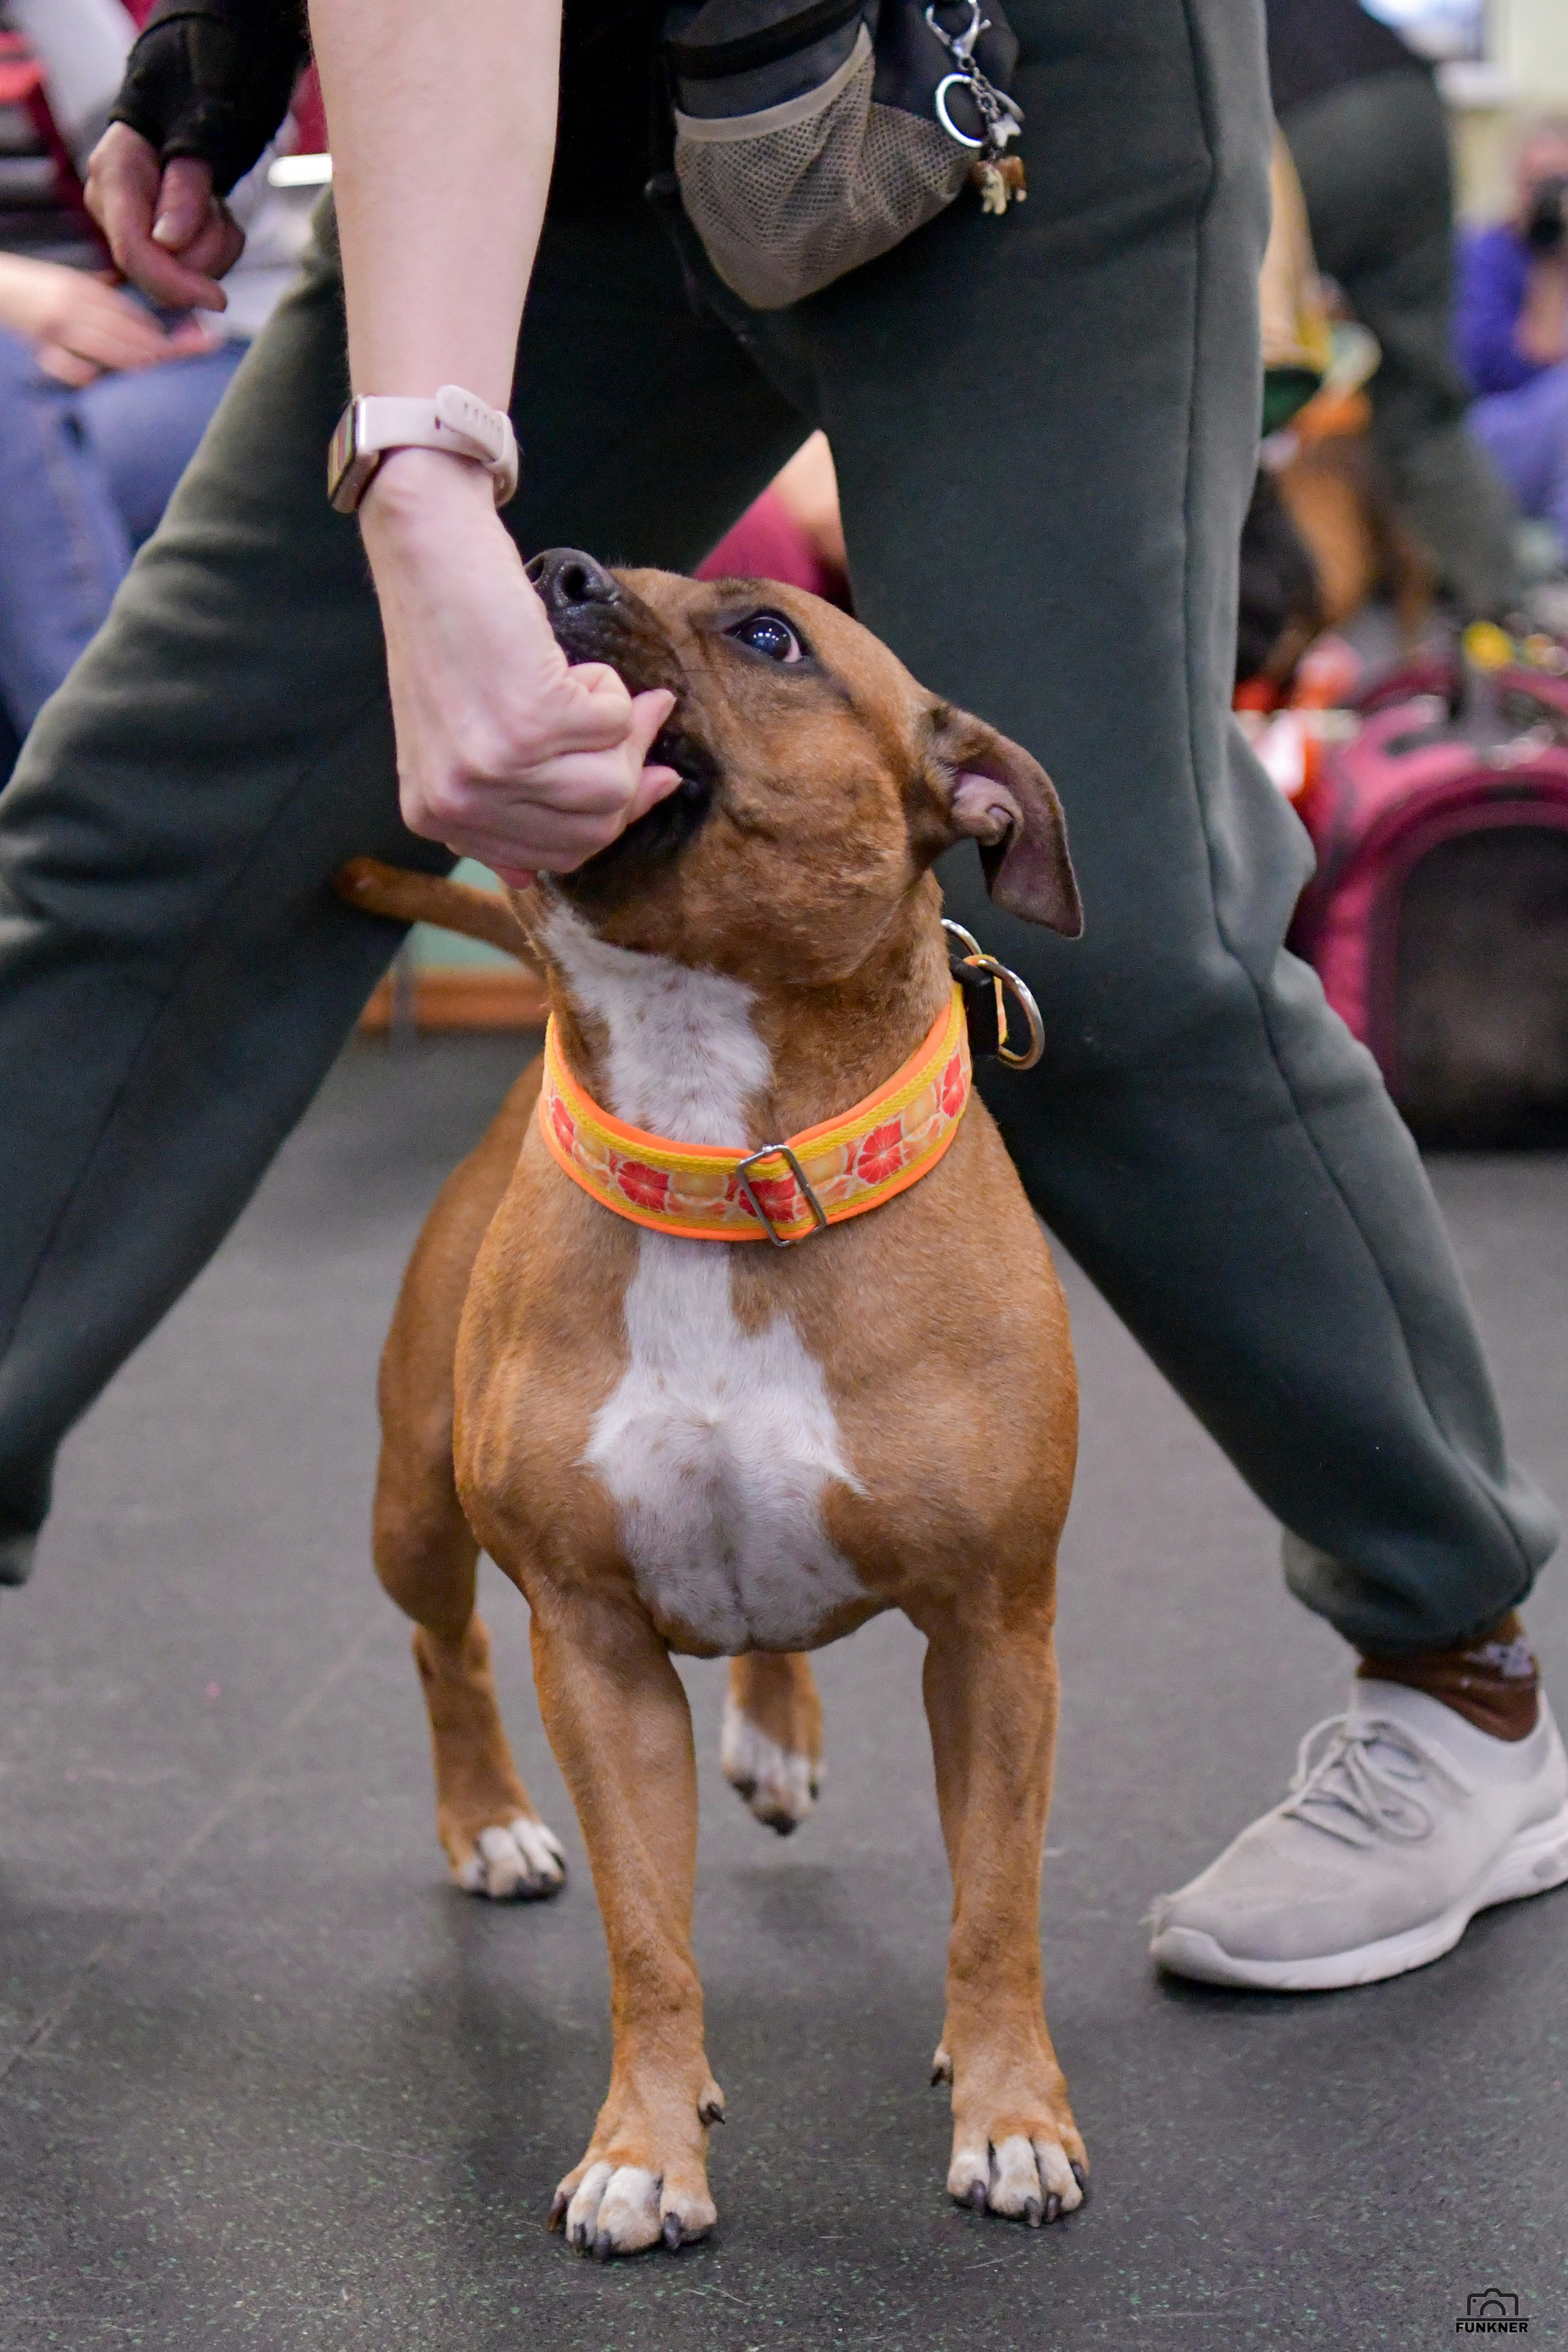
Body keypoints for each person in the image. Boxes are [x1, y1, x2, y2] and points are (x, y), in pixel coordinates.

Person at [0, 0, 1561, 1996]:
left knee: (1100, 944)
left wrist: (422, 483)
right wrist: (231, 44)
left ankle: (1460, 1667)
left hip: (1003, 82)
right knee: (146, 828)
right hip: (571, 114)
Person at [1267, 0, 1524, 621]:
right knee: (1425, 406)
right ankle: (1504, 626)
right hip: (1404, 97)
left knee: (1219, 396)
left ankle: (1240, 658)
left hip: (1294, 119)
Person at [1457, 118, 1568, 561]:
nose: (1549, 200)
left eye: (1560, 185)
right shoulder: (1482, 255)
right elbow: (1497, 370)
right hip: (1492, 433)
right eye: (1538, 184)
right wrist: (1550, 267)